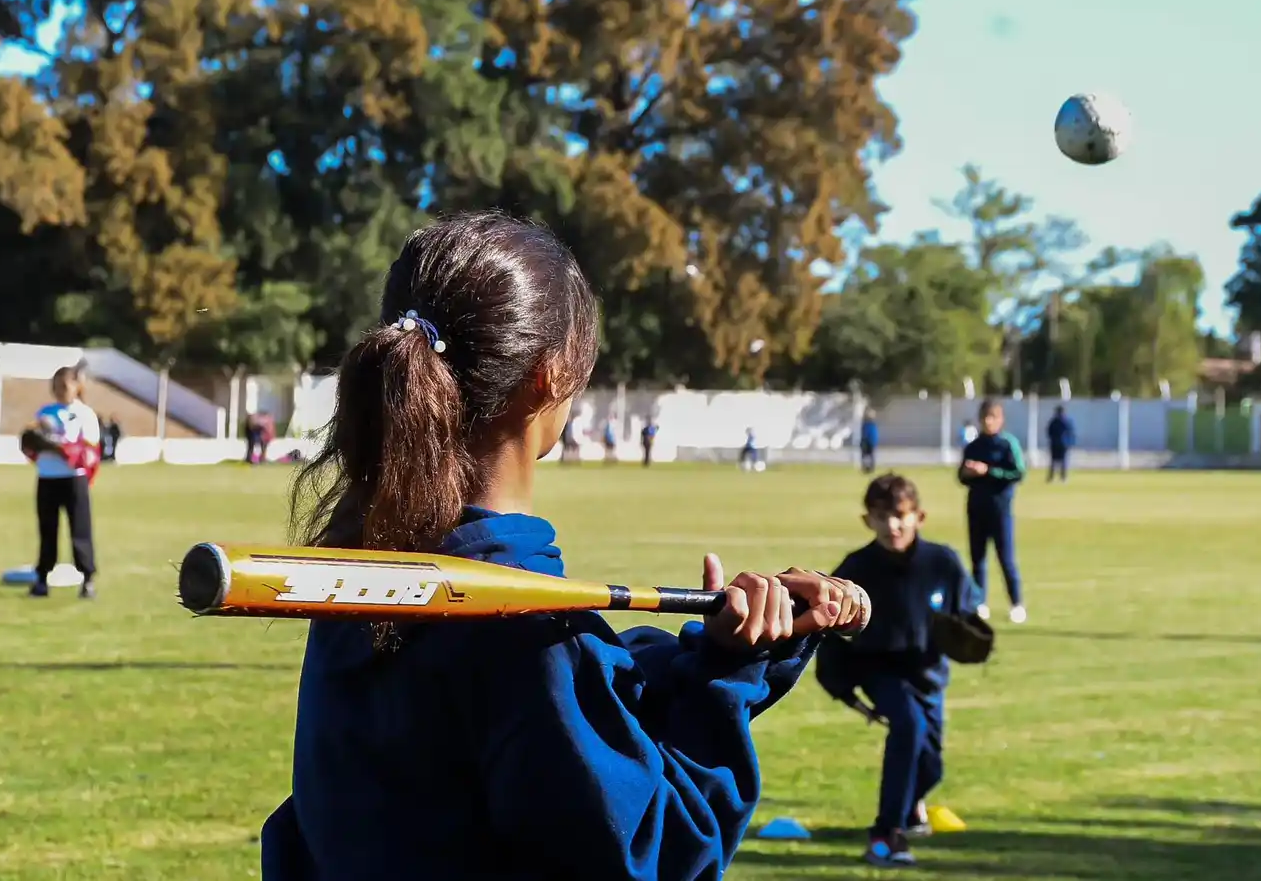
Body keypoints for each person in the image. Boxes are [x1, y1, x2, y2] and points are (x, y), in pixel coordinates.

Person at [261, 210, 870, 881]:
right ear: (549, 375)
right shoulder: (518, 629)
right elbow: (654, 853)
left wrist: (711, 656)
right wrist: (722, 687)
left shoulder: (362, 570)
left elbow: (563, 702)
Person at [815, 473, 983, 868]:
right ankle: (886, 834)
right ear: (867, 520)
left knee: (932, 765)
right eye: (881, 516)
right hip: (879, 670)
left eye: (900, 515)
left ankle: (908, 810)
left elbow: (967, 612)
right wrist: (847, 693)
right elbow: (830, 635)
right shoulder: (856, 569)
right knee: (908, 726)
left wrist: (972, 634)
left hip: (929, 674)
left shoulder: (942, 562)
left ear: (919, 516)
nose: (892, 525)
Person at [25, 365, 101, 599]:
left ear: (77, 386)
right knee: (47, 530)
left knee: (79, 530)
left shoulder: (84, 414)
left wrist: (60, 448)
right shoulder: (45, 412)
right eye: (56, 386)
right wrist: (32, 443)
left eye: (64, 386)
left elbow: (88, 450)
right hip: (47, 477)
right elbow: (32, 443)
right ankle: (41, 579)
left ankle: (87, 579)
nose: (60, 391)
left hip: (73, 479)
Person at [959, 398, 1027, 624]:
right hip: (976, 509)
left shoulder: (1008, 444)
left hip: (1001, 510)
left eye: (993, 417)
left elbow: (1018, 473)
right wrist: (968, 473)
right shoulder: (973, 446)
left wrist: (989, 471)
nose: (988, 422)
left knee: (1006, 559)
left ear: (1000, 419)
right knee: (978, 560)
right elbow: (961, 476)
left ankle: (1017, 604)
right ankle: (980, 604)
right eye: (984, 417)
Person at [1046, 404, 1074, 482]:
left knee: (1053, 461)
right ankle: (1063, 477)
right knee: (1063, 461)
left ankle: (1051, 477)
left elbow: (1049, 432)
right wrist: (1069, 442)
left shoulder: (1053, 421)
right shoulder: (1066, 421)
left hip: (1054, 443)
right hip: (1063, 444)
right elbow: (1070, 432)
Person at [859, 409, 879, 474]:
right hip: (869, 441)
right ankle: (866, 467)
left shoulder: (869, 425)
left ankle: (869, 468)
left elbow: (866, 433)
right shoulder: (869, 424)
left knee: (868, 456)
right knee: (867, 456)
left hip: (869, 441)